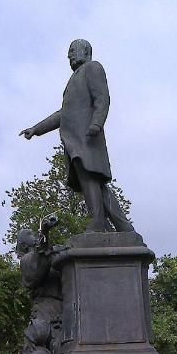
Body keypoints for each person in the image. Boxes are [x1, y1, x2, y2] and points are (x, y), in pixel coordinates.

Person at [20, 39, 134, 233]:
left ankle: (97, 222)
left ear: (86, 51)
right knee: (95, 185)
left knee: (90, 179)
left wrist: (97, 123)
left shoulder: (93, 68)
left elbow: (102, 98)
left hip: (87, 138)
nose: (69, 55)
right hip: (76, 141)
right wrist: (36, 129)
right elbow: (63, 114)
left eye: (72, 51)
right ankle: (124, 228)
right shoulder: (74, 79)